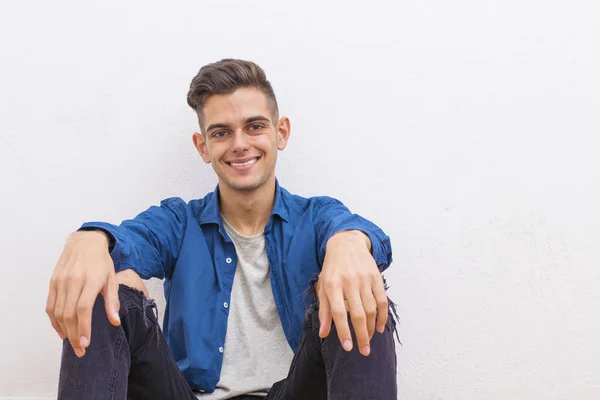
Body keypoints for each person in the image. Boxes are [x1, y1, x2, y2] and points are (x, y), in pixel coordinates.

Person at [46, 59, 398, 400]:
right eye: (221, 132)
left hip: (295, 391)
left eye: (255, 126)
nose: (240, 143)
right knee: (102, 289)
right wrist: (88, 240)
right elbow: (132, 240)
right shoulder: (180, 222)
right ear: (203, 146)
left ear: (281, 133)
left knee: (358, 288)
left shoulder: (317, 216)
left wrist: (350, 244)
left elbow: (357, 231)